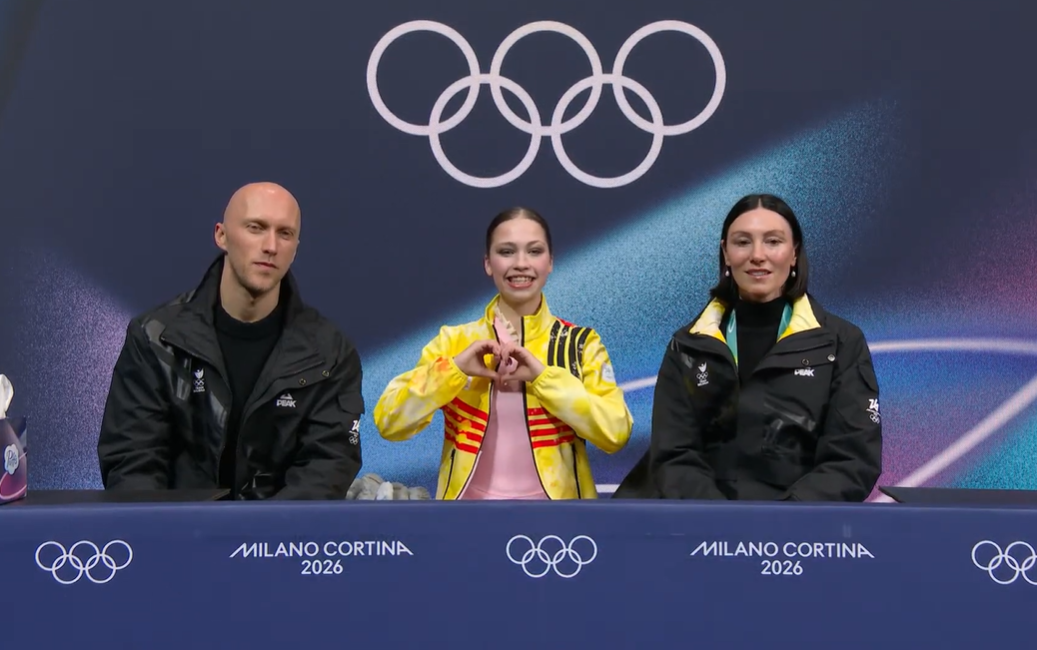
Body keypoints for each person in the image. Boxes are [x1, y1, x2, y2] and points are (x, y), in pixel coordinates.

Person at [97, 182, 364, 500]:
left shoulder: (330, 352)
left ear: (295, 248)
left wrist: (255, 542)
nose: (270, 246)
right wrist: (174, 538)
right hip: (178, 539)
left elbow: (327, 468)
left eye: (285, 234)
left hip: (278, 543)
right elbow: (133, 463)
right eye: (256, 228)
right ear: (221, 235)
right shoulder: (155, 338)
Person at [614, 194, 881, 501]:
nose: (757, 255)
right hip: (704, 534)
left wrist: (778, 522)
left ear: (794, 253)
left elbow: (853, 459)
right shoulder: (687, 345)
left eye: (773, 241)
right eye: (742, 242)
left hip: (802, 537)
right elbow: (674, 455)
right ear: (726, 253)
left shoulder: (842, 342)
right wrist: (726, 525)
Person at [373, 207, 632, 500]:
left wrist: (544, 378)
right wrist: (453, 370)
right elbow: (389, 422)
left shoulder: (579, 343)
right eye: (506, 251)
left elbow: (615, 432)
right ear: (488, 263)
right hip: (467, 520)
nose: (521, 264)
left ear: (550, 262)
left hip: (559, 530)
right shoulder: (454, 341)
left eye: (534, 251)